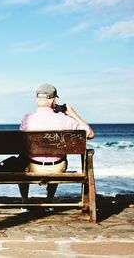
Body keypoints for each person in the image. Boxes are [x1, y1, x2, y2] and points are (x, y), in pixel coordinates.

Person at [19, 83, 94, 211]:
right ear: (54, 100)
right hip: (57, 169)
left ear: (37, 100)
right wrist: (73, 114)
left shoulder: (27, 119)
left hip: (33, 168)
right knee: (59, 157)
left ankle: (25, 200)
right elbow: (90, 134)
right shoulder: (65, 119)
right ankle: (49, 199)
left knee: (21, 159)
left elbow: (21, 144)